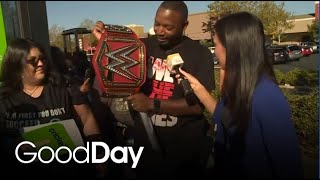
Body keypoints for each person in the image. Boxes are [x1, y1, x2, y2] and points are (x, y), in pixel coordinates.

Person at [92, 1, 215, 178]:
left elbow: (197, 106)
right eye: (156, 23)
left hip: (185, 150)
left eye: (168, 27)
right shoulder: (143, 47)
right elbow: (116, 54)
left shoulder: (200, 54)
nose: (159, 30)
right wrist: (104, 38)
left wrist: (151, 104)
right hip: (145, 148)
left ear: (184, 25)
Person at [174, 12, 303, 178]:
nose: (215, 52)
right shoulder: (242, 85)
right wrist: (197, 87)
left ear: (232, 47)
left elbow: (289, 165)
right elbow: (223, 117)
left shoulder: (267, 96)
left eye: (216, 44)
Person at [0, 38, 106, 178]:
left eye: (42, 58)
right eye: (32, 61)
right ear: (16, 65)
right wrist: (14, 145)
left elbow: (87, 118)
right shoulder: (5, 99)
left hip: (69, 169)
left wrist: (98, 155)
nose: (40, 63)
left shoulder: (63, 87)